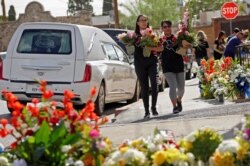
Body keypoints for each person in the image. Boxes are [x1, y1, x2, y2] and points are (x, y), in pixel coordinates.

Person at [133, 14, 163, 119]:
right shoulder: (134, 36)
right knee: (144, 87)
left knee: (155, 85)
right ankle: (146, 111)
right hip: (139, 64)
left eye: (145, 20)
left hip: (152, 62)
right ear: (137, 23)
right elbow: (138, 44)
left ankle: (153, 108)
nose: (144, 22)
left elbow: (161, 48)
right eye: (141, 20)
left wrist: (150, 46)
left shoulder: (153, 35)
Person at [160, 20, 186, 114]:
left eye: (168, 26)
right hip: (167, 66)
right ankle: (174, 106)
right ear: (162, 28)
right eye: (164, 27)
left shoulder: (177, 38)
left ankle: (179, 100)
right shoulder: (159, 40)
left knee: (181, 88)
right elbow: (157, 50)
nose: (167, 28)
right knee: (173, 86)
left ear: (171, 27)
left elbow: (184, 48)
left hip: (178, 64)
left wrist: (186, 44)